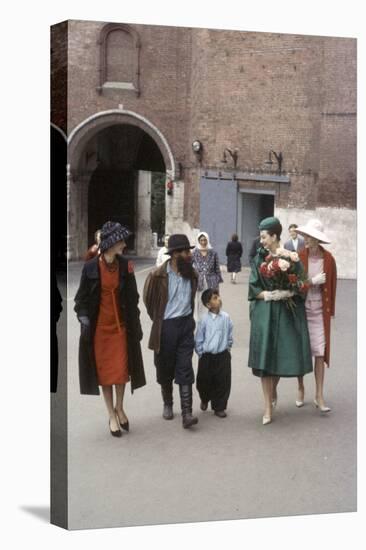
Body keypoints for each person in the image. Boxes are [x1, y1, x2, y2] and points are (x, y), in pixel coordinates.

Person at [74, 221, 146, 437]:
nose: (124, 244)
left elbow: (133, 299)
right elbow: (81, 300)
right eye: (121, 241)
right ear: (111, 243)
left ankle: (120, 407)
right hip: (100, 331)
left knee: (121, 371)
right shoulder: (90, 268)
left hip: (121, 328)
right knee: (105, 375)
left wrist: (137, 325)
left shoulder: (126, 265)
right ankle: (111, 414)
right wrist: (84, 318)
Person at [247, 216, 313, 425]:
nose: (262, 240)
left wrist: (288, 291)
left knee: (279, 357)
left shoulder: (292, 259)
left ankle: (273, 389)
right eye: (261, 237)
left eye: (264, 236)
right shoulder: (259, 259)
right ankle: (267, 406)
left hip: (285, 313)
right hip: (265, 313)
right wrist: (268, 295)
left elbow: (302, 283)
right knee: (265, 361)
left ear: (275, 236)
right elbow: (253, 288)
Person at [143, 234, 199, 429]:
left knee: (185, 367)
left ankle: (187, 414)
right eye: (184, 251)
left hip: (185, 326)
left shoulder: (192, 274)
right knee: (165, 368)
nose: (188, 254)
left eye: (188, 251)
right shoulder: (157, 275)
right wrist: (159, 320)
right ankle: (168, 403)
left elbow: (193, 299)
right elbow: (149, 301)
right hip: (166, 327)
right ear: (174, 254)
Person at [294, 219, 337, 412]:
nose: (305, 239)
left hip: (319, 312)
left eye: (309, 236)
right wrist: (311, 281)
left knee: (320, 352)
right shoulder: (299, 256)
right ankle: (301, 388)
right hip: (302, 311)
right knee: (302, 352)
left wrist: (331, 312)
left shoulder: (329, 260)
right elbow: (294, 285)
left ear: (317, 239)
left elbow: (332, 286)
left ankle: (319, 395)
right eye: (305, 235)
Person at [195, 289, 233, 418]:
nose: (219, 299)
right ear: (208, 305)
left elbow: (229, 334)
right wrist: (201, 353)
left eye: (218, 296)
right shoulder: (204, 320)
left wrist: (228, 348)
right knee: (203, 381)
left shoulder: (226, 317)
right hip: (207, 356)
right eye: (215, 298)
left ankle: (219, 406)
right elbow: (199, 338)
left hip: (222, 355)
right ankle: (205, 398)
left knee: (223, 381)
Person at [192, 231, 223, 317]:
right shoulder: (194, 252)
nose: (203, 242)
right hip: (200, 282)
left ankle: (212, 320)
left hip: (212, 281)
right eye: (201, 240)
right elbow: (189, 267)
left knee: (212, 301)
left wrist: (217, 280)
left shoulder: (213, 253)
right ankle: (201, 322)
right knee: (200, 302)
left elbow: (217, 268)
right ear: (198, 241)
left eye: (205, 240)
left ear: (207, 240)